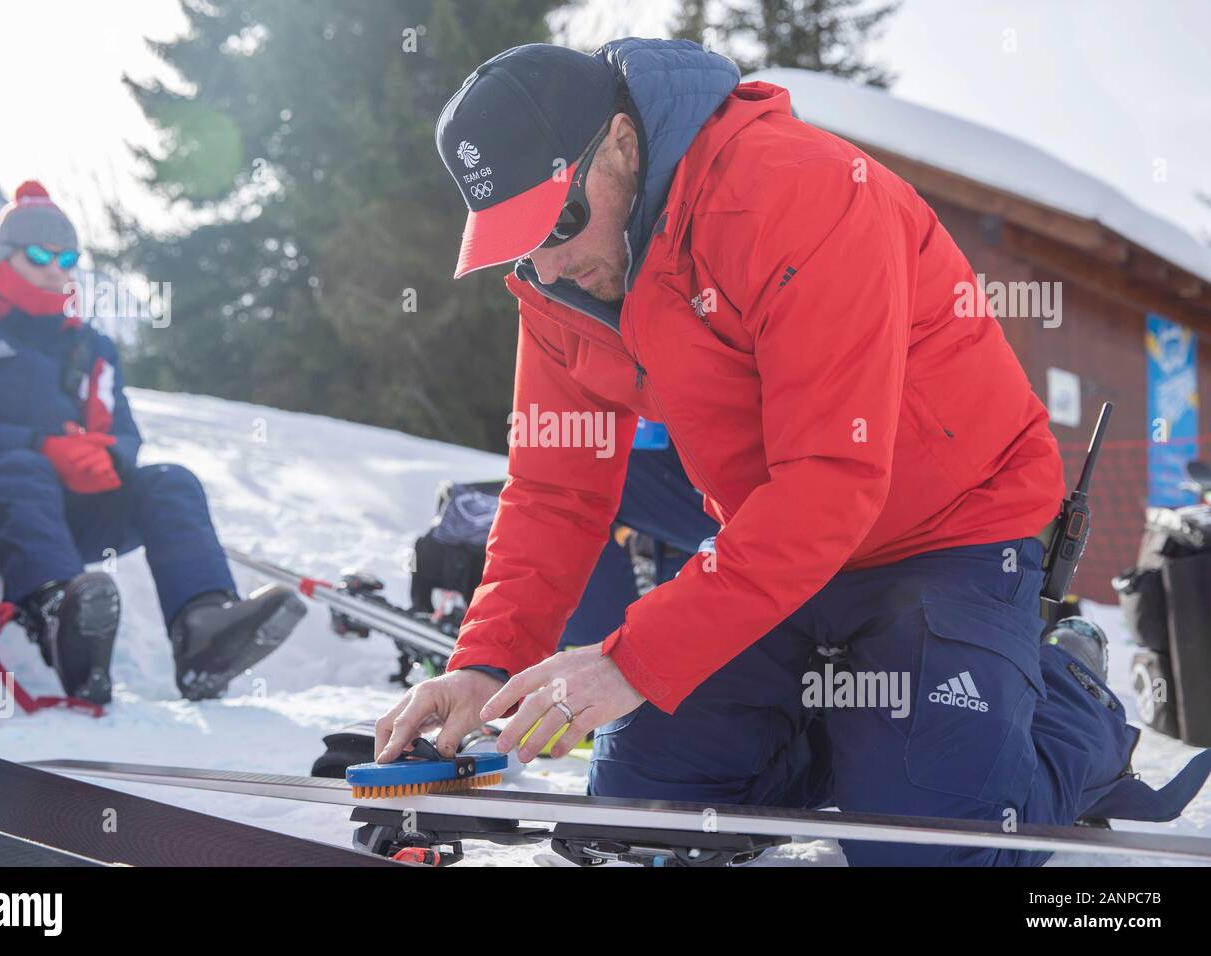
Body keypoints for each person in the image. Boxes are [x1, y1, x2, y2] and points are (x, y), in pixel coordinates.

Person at [374, 39, 1211, 865]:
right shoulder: (553, 283)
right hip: (773, 550)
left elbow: (830, 481)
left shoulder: (794, 192)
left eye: (557, 220)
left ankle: (1067, 700)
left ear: (622, 146)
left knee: (930, 850)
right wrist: (485, 662)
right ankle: (872, 738)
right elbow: (555, 492)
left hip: (951, 532)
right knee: (646, 810)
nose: (549, 259)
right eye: (520, 239)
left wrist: (636, 659)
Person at [0, 181, 305, 704]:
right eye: (39, 254)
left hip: (69, 513)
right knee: (21, 470)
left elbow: (123, 432)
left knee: (170, 482)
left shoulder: (89, 345)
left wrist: (105, 459)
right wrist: (42, 444)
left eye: (68, 256)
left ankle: (204, 629)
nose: (57, 268)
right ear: (4, 256)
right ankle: (60, 616)